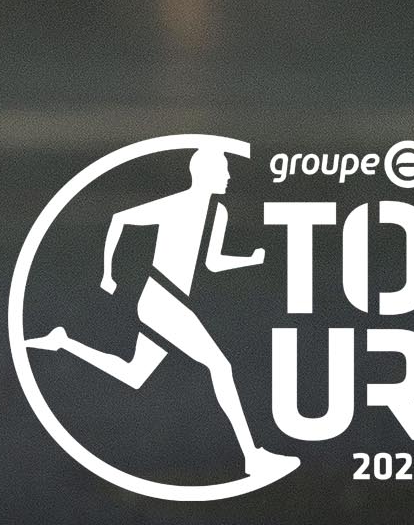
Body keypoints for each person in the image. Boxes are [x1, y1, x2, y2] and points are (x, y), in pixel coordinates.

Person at [26, 147, 300, 482]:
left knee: (134, 374)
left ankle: (64, 342)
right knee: (221, 366)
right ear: (204, 173)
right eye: (224, 170)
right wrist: (108, 273)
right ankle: (252, 457)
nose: (229, 176)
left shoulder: (218, 212)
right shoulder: (176, 205)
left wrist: (249, 259)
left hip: (172, 302)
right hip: (161, 299)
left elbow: (212, 263)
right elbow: (120, 219)